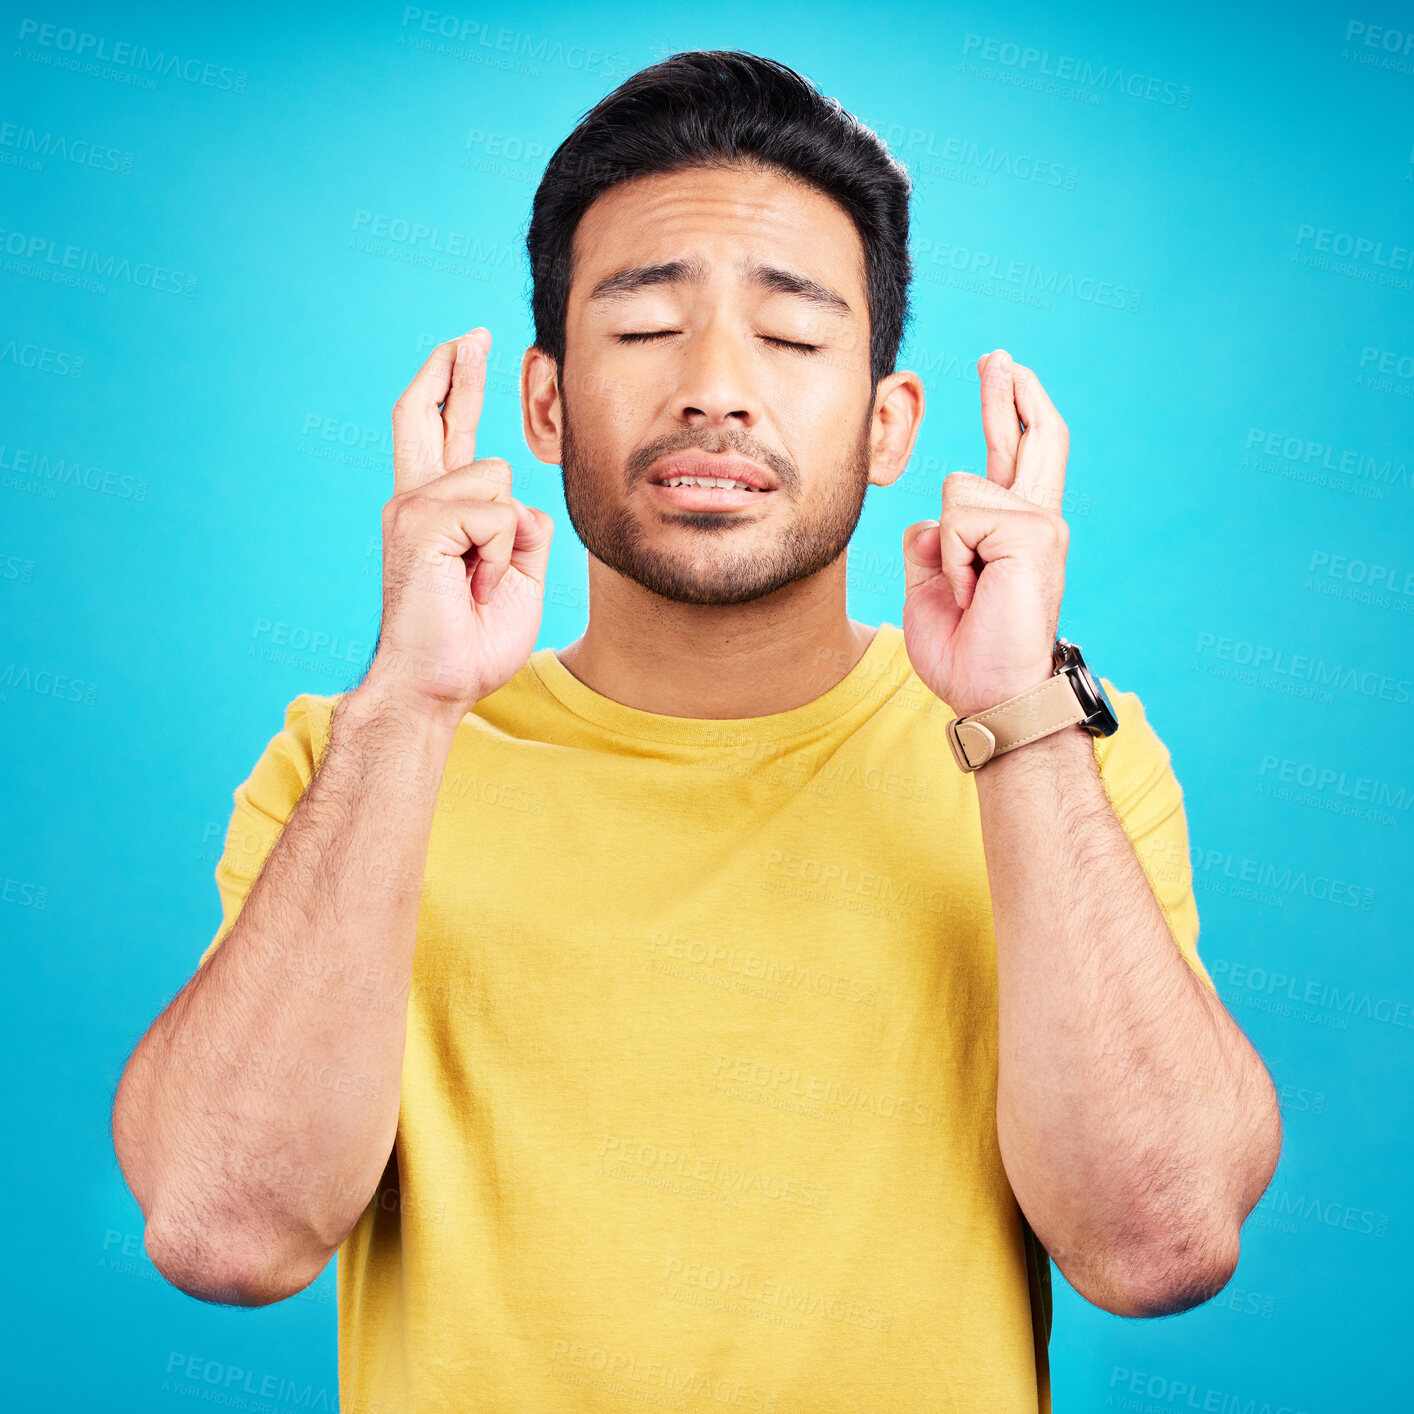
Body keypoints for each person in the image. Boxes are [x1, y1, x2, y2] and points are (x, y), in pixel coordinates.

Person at [112, 49, 1282, 1414]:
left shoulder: (1057, 748)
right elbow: (222, 1230)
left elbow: (1157, 1242)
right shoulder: (355, 759)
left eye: (791, 339)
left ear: (888, 421)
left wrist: (1020, 718)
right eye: (645, 327)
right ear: (543, 405)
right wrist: (409, 706)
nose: (717, 387)